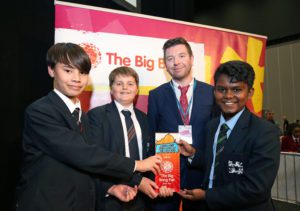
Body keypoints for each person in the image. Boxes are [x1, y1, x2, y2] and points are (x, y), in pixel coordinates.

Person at [14, 43, 161, 211]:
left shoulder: (81, 115)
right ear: (51, 70)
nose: (77, 78)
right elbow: (82, 153)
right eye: (68, 71)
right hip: (48, 204)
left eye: (83, 72)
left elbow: (86, 168)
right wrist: (137, 165)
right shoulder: (40, 111)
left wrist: (110, 188)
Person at [177, 60, 280, 210]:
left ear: (250, 93)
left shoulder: (265, 132)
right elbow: (217, 162)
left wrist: (206, 195)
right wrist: (193, 153)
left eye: (237, 89)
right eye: (222, 89)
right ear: (214, 91)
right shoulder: (212, 126)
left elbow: (256, 188)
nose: (228, 96)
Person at [147, 37, 218, 210]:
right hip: (166, 177)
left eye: (181, 56)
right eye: (170, 58)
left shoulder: (211, 93)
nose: (176, 62)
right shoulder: (156, 95)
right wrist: (155, 177)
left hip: (201, 176)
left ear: (191, 59)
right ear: (165, 64)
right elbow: (152, 135)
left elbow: (215, 137)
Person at [88, 66, 158, 210]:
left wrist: (159, 184)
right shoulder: (97, 116)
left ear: (137, 89)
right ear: (111, 89)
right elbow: (99, 158)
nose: (125, 87)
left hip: (142, 198)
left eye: (130, 83)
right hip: (111, 196)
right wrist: (137, 181)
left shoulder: (145, 119)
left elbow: (150, 156)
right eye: (119, 83)